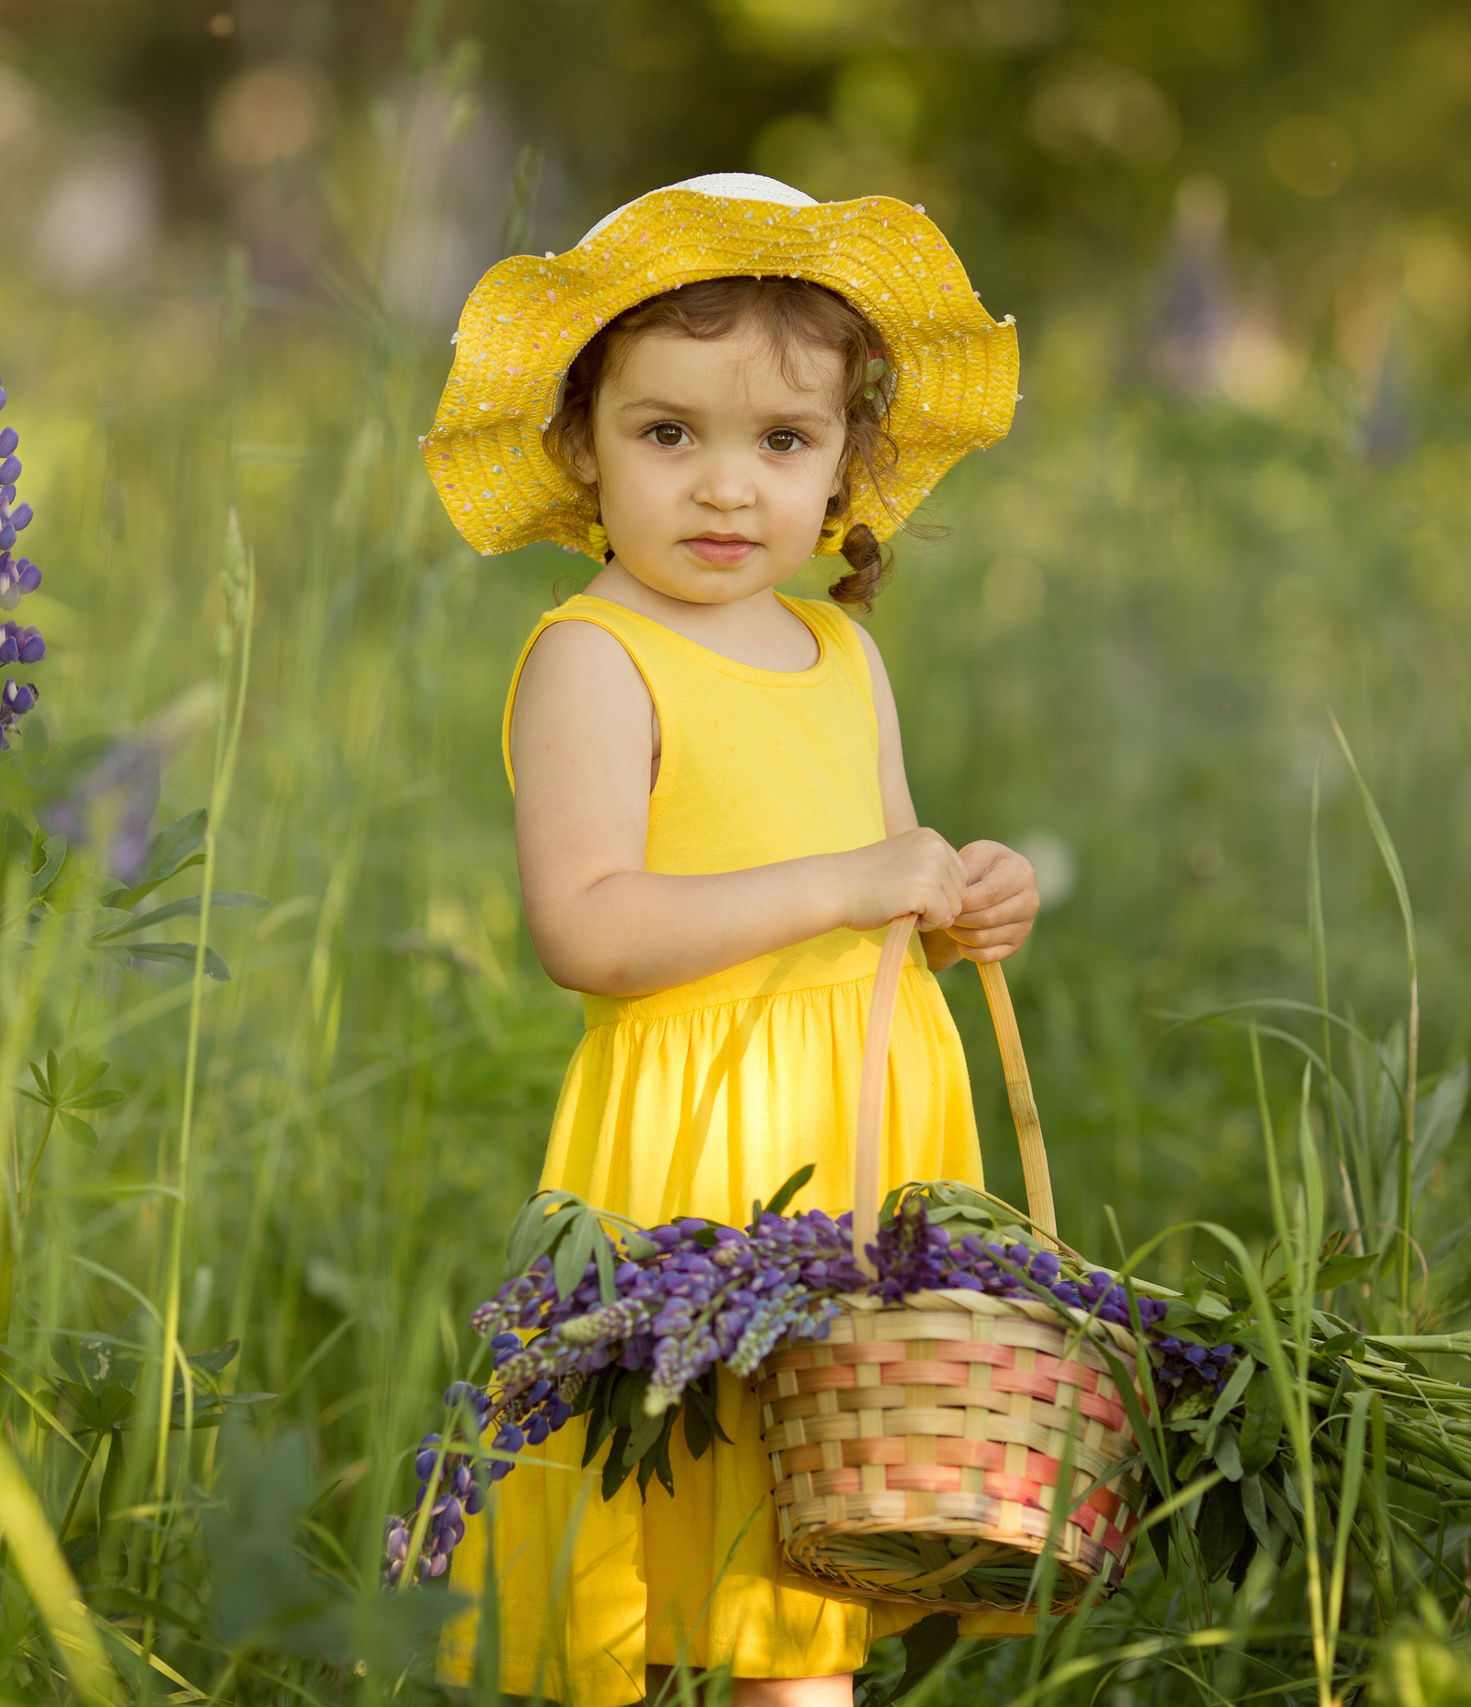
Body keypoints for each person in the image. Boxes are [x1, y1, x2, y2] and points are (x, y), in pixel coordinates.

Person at [421, 173, 1039, 1707]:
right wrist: (848, 879)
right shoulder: (595, 656)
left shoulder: (843, 650)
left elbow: (888, 894)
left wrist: (961, 901)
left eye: (781, 442)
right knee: (658, 1519)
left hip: (854, 1132)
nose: (722, 487)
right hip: (694, 1153)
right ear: (583, 443)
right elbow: (590, 926)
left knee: (802, 1559)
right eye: (667, 433)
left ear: (845, 465)